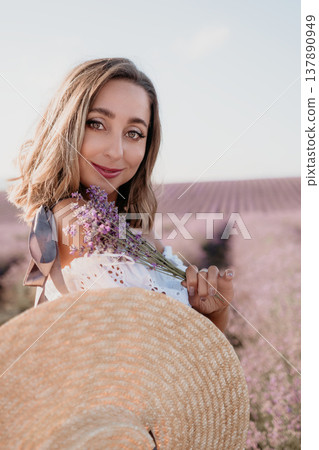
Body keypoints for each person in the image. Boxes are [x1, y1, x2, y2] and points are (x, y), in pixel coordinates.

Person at [7, 58, 234, 333]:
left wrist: (214, 313)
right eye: (97, 124)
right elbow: (131, 351)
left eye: (134, 133)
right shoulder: (74, 220)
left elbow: (192, 363)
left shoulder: (136, 233)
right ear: (66, 127)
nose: (116, 151)